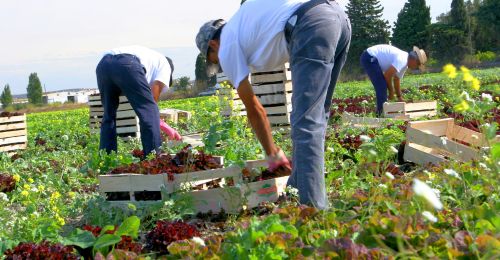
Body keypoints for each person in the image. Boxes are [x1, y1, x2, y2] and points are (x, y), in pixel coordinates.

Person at [196, 0, 351, 209]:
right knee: (317, 117)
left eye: (213, 59)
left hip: (311, 24)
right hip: (337, 17)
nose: (218, 62)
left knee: (306, 121)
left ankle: (312, 211)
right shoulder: (243, 24)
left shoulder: (227, 45)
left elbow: (254, 108)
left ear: (213, 45)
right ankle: (299, 189)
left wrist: (273, 154)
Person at [96, 45, 181, 156]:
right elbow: (151, 104)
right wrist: (164, 126)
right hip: (127, 63)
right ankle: (154, 158)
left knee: (109, 116)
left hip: (103, 65)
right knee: (150, 110)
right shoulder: (165, 65)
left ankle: (106, 159)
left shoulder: (150, 59)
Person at [360, 44, 427, 116]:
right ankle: (381, 115)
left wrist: (399, 97)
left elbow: (396, 79)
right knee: (381, 86)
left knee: (382, 85)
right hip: (369, 56)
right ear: (414, 60)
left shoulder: (405, 63)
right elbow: (387, 76)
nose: (416, 67)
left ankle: (382, 113)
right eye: (417, 65)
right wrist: (391, 92)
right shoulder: (402, 59)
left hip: (371, 57)